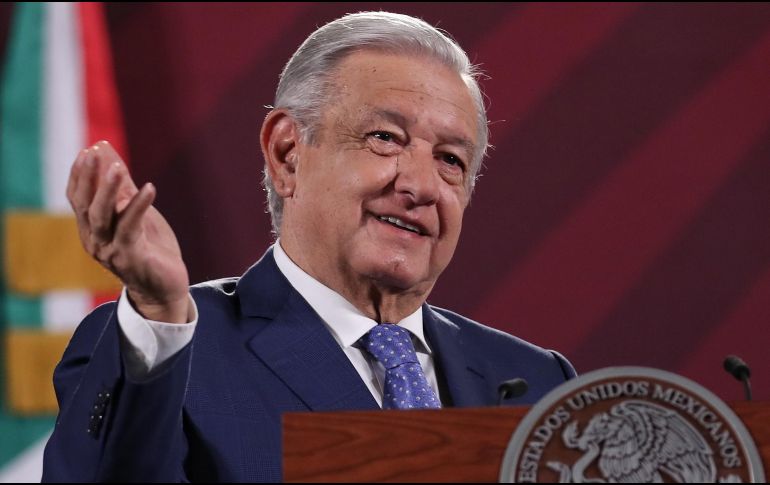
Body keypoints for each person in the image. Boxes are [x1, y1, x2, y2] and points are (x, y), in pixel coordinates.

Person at [42, 11, 575, 482]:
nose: (422, 186)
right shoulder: (165, 351)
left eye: (451, 160)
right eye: (385, 138)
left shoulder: (540, 383)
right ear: (287, 153)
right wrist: (158, 314)